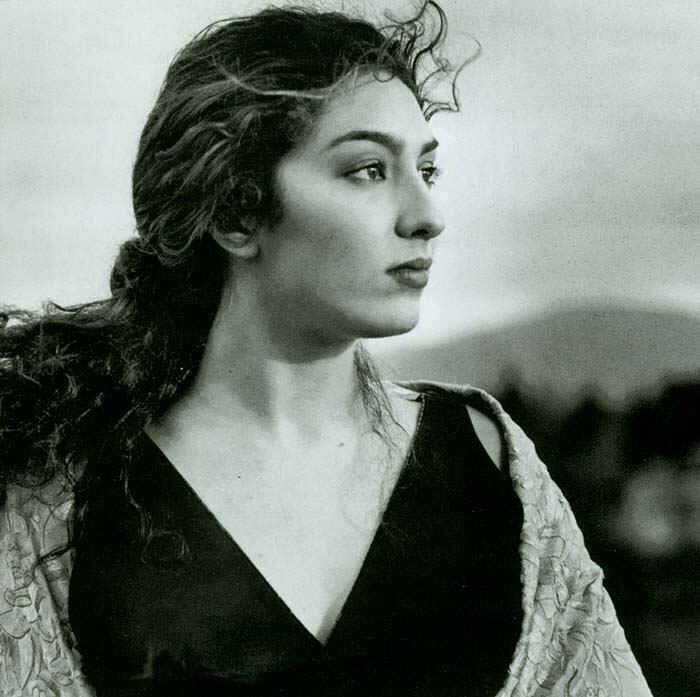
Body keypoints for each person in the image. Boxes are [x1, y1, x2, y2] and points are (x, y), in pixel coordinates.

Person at [0, 2, 652, 695]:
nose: (427, 216)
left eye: (427, 170)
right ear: (237, 212)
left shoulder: (488, 459)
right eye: (368, 169)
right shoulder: (63, 491)